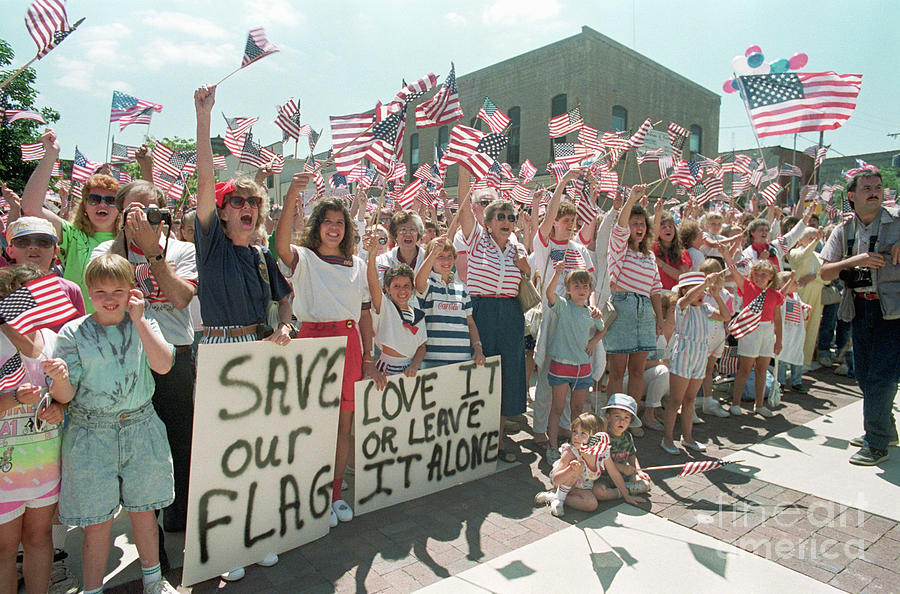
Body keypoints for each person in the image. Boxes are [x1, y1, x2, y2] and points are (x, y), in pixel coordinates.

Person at [194, 83, 293, 580]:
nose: (248, 208)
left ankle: (257, 535)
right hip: (218, 349)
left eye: (254, 203)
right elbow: (205, 179)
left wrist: (286, 324)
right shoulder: (211, 243)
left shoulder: (260, 255)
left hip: (259, 346)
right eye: (239, 202)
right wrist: (204, 120)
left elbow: (284, 296)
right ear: (225, 210)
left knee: (258, 447)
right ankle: (225, 546)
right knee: (221, 453)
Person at [47, 254, 178, 594]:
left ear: (131, 291)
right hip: (91, 432)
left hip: (141, 425)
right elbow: (66, 393)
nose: (109, 298)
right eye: (101, 291)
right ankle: (93, 590)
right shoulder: (73, 332)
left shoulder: (144, 322)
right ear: (89, 291)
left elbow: (163, 365)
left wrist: (139, 322)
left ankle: (154, 580)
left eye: (118, 290)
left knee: (144, 511)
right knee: (97, 523)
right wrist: (59, 379)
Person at [89, 181, 197, 534]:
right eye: (133, 210)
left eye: (150, 210)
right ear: (121, 214)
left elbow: (180, 298)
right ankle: (146, 526)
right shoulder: (107, 251)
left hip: (175, 356)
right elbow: (105, 288)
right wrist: (126, 236)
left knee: (180, 440)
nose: (142, 218)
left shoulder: (182, 250)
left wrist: (154, 254)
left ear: (164, 214)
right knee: (138, 451)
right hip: (127, 361)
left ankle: (178, 517)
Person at [274, 174, 380, 529]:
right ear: (317, 226)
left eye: (340, 223)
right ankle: (308, 492)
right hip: (312, 345)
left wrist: (368, 357)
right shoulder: (303, 258)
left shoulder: (359, 265)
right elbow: (281, 245)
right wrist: (291, 193)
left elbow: (365, 313)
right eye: (327, 222)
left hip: (349, 347)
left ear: (347, 229)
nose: (333, 228)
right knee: (309, 425)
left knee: (343, 427)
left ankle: (334, 493)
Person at [820, 168, 900, 466]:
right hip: (859, 307)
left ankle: (876, 442)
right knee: (865, 375)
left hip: (892, 310)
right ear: (852, 196)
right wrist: (858, 260)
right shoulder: (843, 230)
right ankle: (885, 428)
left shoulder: (897, 221)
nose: (874, 191)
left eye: (877, 187)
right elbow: (825, 272)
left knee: (882, 375)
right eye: (867, 187)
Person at [0, 265, 66, 594]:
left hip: (43, 462)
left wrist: (61, 407)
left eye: (38, 294)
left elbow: (66, 394)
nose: (33, 302)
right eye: (22, 296)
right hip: (4, 470)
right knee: (4, 551)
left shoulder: (53, 340)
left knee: (40, 541)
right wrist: (12, 398)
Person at [458, 176, 530, 463]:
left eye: (510, 217)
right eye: (499, 217)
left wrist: (524, 267)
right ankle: (474, 441)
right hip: (482, 313)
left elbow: (528, 278)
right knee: (481, 373)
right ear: (487, 222)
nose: (506, 221)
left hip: (511, 314)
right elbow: (464, 209)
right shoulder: (477, 239)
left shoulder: (517, 247)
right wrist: (465, 168)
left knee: (505, 376)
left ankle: (498, 441)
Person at [20, 129, 120, 312]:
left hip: (118, 329)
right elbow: (30, 208)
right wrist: (50, 155)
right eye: (94, 199)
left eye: (110, 200)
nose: (102, 205)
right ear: (85, 206)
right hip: (77, 329)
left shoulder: (128, 238)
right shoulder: (73, 236)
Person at [604, 185, 662, 437]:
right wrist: (632, 199)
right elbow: (618, 228)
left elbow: (656, 288)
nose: (638, 227)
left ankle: (632, 420)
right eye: (634, 222)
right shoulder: (619, 247)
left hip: (644, 311)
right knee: (617, 371)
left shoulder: (648, 255)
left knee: (638, 370)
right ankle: (612, 421)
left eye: (642, 224)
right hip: (623, 307)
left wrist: (659, 317)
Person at [660, 271, 730, 454]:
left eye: (703, 291)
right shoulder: (681, 307)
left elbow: (726, 316)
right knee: (676, 400)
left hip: (700, 357)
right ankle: (667, 439)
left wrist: (715, 295)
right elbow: (686, 299)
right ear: (684, 291)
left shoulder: (705, 308)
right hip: (683, 356)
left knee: (690, 400)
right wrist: (704, 285)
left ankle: (688, 437)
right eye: (696, 290)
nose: (701, 294)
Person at [543, 262, 605, 461]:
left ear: (589, 291)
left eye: (585, 287)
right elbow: (549, 293)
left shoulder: (591, 312)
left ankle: (575, 446)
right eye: (576, 286)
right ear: (568, 290)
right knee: (557, 408)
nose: (581, 290)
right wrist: (557, 273)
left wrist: (594, 342)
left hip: (582, 368)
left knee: (578, 409)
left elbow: (602, 328)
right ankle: (552, 446)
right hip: (561, 365)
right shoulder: (563, 305)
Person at [534, 412, 645, 517]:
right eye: (574, 432)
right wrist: (571, 470)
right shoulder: (571, 452)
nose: (577, 436)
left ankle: (554, 496)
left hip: (582, 486)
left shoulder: (602, 452)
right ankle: (559, 497)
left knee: (591, 504)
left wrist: (627, 496)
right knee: (579, 466)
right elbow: (556, 480)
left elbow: (614, 473)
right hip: (563, 480)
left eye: (583, 433)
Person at [722, 250, 784, 418]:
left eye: (764, 274)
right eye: (756, 274)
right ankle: (736, 403)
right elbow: (733, 270)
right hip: (750, 330)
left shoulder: (776, 295)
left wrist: (779, 340)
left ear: (771, 276)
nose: (759, 277)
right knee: (744, 369)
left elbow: (777, 320)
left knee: (762, 370)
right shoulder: (747, 286)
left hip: (767, 332)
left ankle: (759, 405)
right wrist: (726, 254)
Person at [414, 233, 485, 369]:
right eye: (440, 257)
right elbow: (418, 282)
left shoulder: (462, 288)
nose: (446, 261)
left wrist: (477, 348)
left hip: (462, 360)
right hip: (432, 361)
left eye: (449, 256)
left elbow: (470, 322)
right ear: (431, 259)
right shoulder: (428, 285)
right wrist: (433, 252)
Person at [3, 217, 86, 326]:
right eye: (23, 242)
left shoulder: (70, 290)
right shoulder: (2, 288)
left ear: (56, 251)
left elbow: (79, 335)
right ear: (10, 251)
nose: (33, 246)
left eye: (43, 242)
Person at [365, 245, 427, 375]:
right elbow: (373, 283)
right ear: (387, 289)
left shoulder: (418, 314)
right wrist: (371, 256)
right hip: (386, 369)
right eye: (396, 286)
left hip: (411, 371)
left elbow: (421, 347)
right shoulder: (385, 306)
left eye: (406, 286)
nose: (402, 290)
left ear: (412, 288)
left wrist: (414, 366)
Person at [599, 394, 651, 496]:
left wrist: (639, 471)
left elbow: (632, 455)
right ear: (608, 417)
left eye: (626, 417)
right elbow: (600, 462)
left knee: (644, 483)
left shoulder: (628, 437)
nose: (622, 421)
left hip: (624, 474)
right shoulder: (603, 436)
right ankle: (622, 492)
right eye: (617, 416)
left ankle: (622, 489)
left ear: (630, 421)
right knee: (599, 492)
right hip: (603, 476)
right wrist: (621, 467)